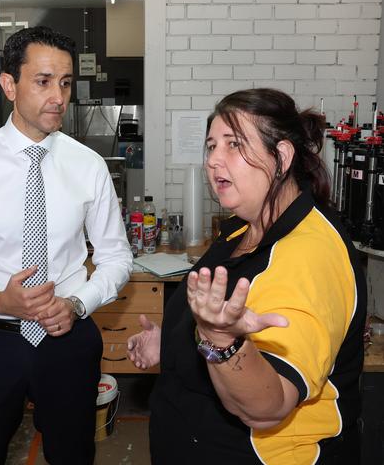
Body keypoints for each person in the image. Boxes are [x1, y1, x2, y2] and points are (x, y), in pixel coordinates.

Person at [0, 26, 133, 464]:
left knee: (73, 454)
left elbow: (116, 258)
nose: (59, 96)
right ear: (9, 84)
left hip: (67, 340)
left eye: (66, 83)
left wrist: (75, 304)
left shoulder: (88, 167)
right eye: (44, 81)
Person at [127, 88, 366, 464]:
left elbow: (267, 406)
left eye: (234, 144)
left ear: (281, 157)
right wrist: (173, 346)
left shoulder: (309, 253)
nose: (213, 160)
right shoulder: (241, 229)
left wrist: (221, 341)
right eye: (211, 146)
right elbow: (214, 322)